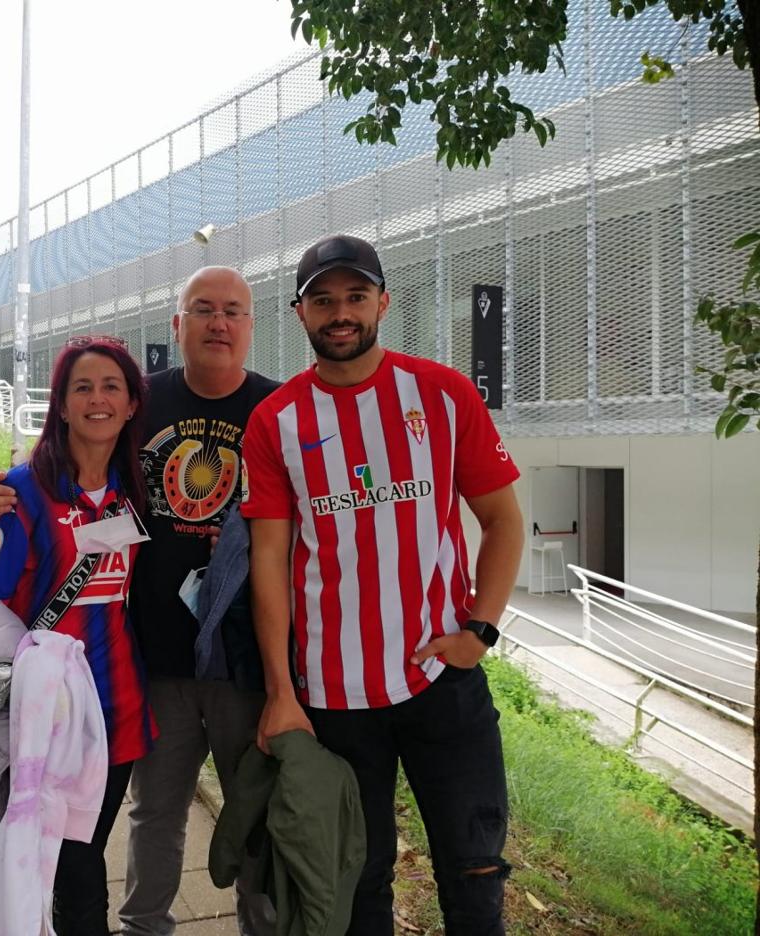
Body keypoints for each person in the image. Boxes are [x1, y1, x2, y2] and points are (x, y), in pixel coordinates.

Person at [0, 267, 280, 936]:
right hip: (153, 662)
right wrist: (3, 488)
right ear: (178, 325)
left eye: (233, 310)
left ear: (252, 324)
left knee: (255, 817)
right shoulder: (148, 404)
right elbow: (76, 448)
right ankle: (146, 929)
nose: (218, 323)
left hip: (247, 662)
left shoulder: (278, 409)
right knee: (155, 814)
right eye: (202, 309)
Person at [241, 235, 525, 936]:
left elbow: (504, 522)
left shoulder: (443, 393)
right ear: (299, 313)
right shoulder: (276, 421)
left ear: (383, 303)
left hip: (442, 683)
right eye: (324, 300)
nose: (341, 313)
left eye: (355, 297)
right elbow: (269, 561)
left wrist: (479, 632)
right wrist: (281, 692)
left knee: (475, 865)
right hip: (332, 698)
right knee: (355, 876)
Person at [0, 335, 155, 936]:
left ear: (129, 405)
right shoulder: (19, 495)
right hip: (46, 720)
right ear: (63, 406)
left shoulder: (136, 488)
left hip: (116, 713)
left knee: (83, 851)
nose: (97, 399)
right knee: (71, 864)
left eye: (111, 388)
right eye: (82, 388)